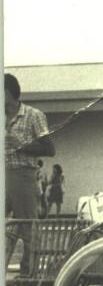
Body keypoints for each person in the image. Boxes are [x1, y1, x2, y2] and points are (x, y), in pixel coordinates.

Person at [5, 73, 55, 272]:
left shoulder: (33, 115)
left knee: (29, 230)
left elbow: (49, 149)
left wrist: (22, 145)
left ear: (7, 93)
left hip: (23, 176)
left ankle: (29, 276)